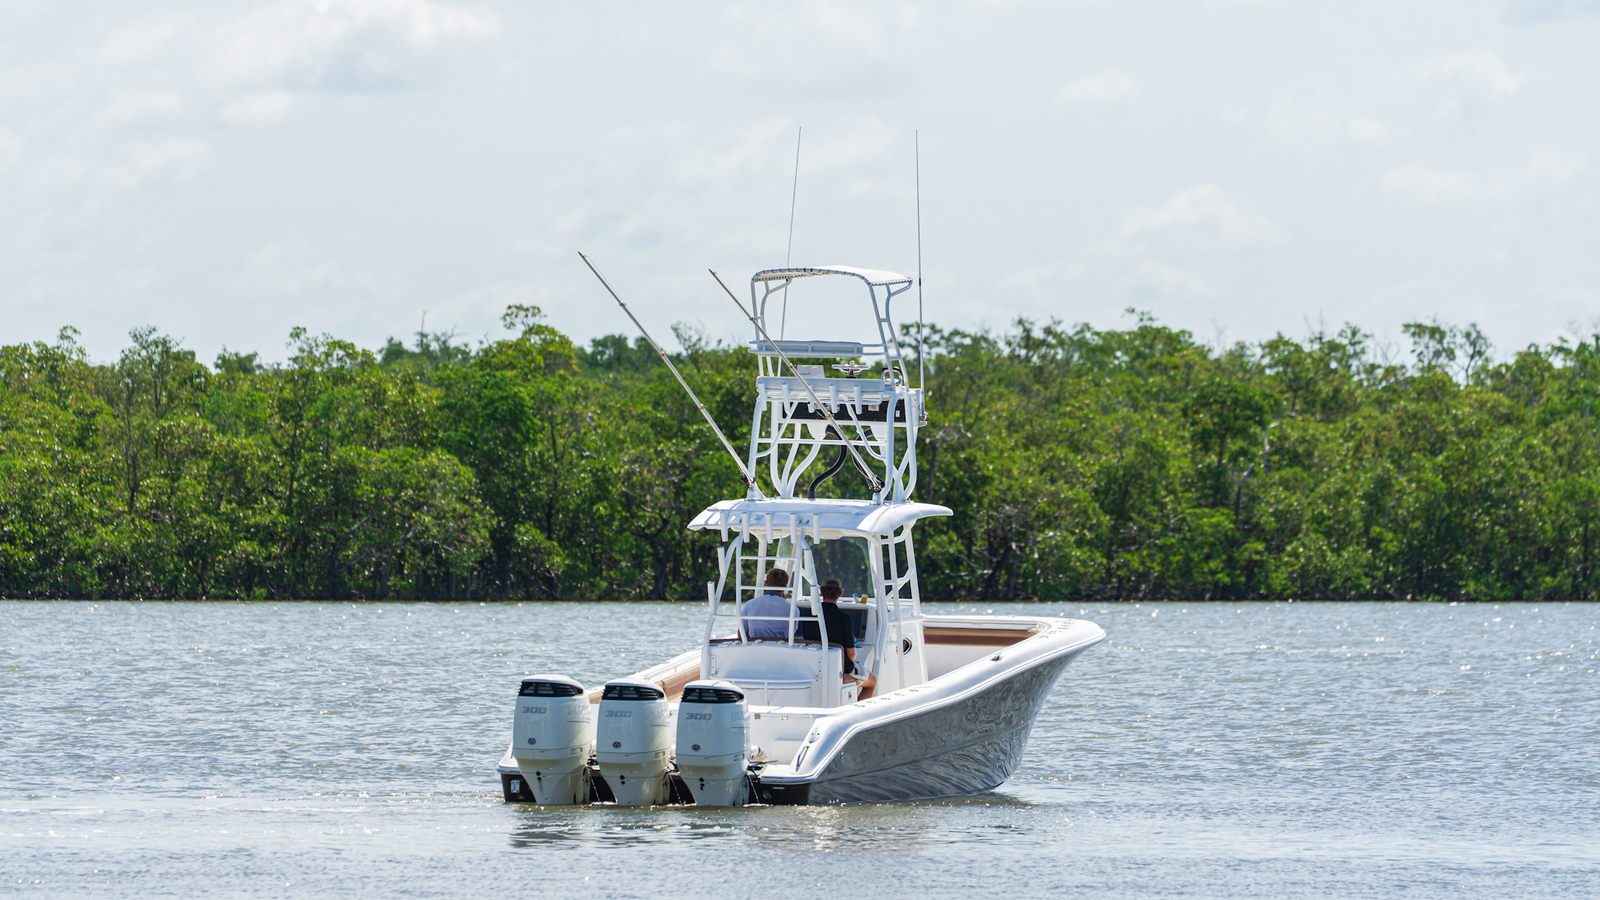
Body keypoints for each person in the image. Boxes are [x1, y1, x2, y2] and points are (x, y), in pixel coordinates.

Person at [797, 577, 876, 698]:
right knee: (872, 682)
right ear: (840, 593)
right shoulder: (844, 618)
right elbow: (851, 655)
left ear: (821, 592)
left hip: (814, 666)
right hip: (841, 668)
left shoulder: (808, 615)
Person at [742, 568, 794, 639]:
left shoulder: (749, 605)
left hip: (755, 644)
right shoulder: (792, 609)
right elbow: (791, 634)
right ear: (785, 587)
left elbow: (741, 633)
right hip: (781, 645)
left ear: (765, 583)